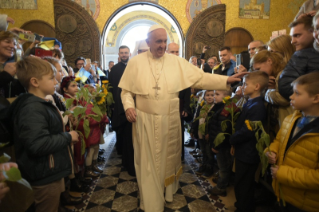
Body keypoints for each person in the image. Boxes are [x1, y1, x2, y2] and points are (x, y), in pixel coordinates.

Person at [118, 25, 244, 212]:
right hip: (144, 121)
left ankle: (167, 192)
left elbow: (200, 78)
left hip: (169, 120)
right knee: (148, 164)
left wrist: (226, 81)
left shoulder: (176, 62)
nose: (162, 45)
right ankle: (151, 203)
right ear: (148, 42)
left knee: (165, 161)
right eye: (158, 41)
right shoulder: (135, 63)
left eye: (164, 41)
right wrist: (129, 106)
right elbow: (126, 91)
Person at [12, 56, 79, 212]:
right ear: (35, 82)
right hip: (43, 175)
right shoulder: (32, 108)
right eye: (51, 78)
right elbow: (37, 144)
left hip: (49, 170)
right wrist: (68, 137)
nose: (56, 82)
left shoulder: (39, 103)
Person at [266, 71, 319, 212]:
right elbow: (279, 140)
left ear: (316, 98)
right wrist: (272, 151)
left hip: (305, 202)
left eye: (297, 93)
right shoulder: (291, 118)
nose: (291, 96)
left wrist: (282, 173)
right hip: (284, 192)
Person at [230, 71, 269, 212]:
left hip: (248, 151)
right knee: (241, 181)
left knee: (244, 183)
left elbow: (248, 131)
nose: (243, 86)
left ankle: (244, 207)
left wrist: (232, 139)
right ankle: (242, 204)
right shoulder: (250, 102)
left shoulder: (257, 107)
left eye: (246, 84)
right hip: (243, 149)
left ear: (257, 86)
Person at [278, 15, 319, 101]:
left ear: (312, 32)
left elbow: (285, 87)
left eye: (297, 35)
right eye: (292, 37)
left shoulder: (301, 55)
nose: (292, 41)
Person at [263, 35, 296, 126]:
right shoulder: (278, 70)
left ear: (284, 52)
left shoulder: (287, 72)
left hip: (287, 118)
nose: (269, 56)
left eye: (272, 52)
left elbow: (284, 99)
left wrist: (269, 91)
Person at [166, 42, 191, 160]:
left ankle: (178, 156)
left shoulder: (183, 67)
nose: (175, 54)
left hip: (179, 105)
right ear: (167, 52)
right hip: (164, 105)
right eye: (172, 52)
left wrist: (186, 108)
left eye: (177, 52)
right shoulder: (162, 66)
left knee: (178, 131)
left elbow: (187, 89)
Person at [208, 89, 234, 197]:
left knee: (223, 166)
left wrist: (216, 145)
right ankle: (222, 182)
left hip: (223, 145)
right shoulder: (220, 106)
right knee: (221, 165)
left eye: (217, 94)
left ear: (226, 96)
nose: (214, 96)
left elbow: (222, 130)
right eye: (214, 94)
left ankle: (221, 187)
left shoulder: (227, 108)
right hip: (220, 143)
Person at [109, 45, 131, 156]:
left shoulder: (133, 67)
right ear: (119, 54)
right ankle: (120, 149)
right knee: (120, 127)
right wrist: (112, 103)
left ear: (129, 54)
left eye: (126, 52)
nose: (124, 55)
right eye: (122, 53)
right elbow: (111, 87)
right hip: (118, 102)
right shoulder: (114, 69)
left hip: (131, 102)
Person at [0, 31, 25, 99]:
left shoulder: (17, 63)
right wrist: (6, 75)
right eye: (7, 42)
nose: (12, 46)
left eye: (14, 44)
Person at [197, 90, 215, 178]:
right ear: (204, 97)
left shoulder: (214, 107)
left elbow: (212, 122)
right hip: (201, 133)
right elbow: (198, 118)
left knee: (209, 153)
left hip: (208, 134)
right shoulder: (202, 106)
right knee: (203, 151)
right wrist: (193, 130)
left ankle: (209, 168)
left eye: (212, 95)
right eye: (207, 95)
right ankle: (204, 165)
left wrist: (208, 133)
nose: (210, 97)